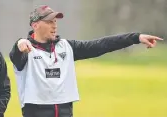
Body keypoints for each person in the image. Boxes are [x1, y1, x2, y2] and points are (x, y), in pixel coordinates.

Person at [9, 5, 163, 117]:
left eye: (55, 21)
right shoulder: (25, 49)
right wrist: (19, 44)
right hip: (35, 111)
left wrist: (136, 38)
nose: (54, 25)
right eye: (49, 21)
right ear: (35, 25)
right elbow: (16, 55)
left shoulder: (67, 47)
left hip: (64, 110)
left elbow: (102, 45)